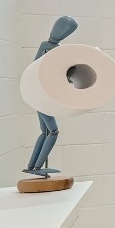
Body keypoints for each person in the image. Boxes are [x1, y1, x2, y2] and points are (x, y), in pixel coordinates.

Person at [24, 16, 78, 177]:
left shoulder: (50, 48)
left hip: (38, 96)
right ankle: (38, 167)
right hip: (43, 98)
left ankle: (32, 166)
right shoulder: (50, 48)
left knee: (45, 132)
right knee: (53, 131)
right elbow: (41, 68)